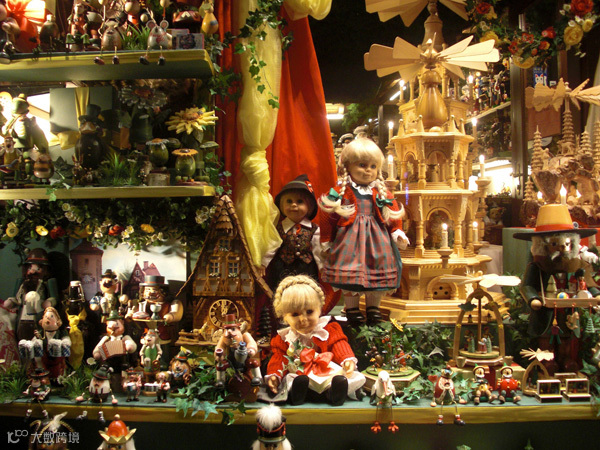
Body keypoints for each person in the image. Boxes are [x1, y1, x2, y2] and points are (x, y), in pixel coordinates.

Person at [319, 135, 409, 325]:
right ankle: (352, 309)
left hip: (378, 242)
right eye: (362, 165)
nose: (368, 170)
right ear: (348, 167)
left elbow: (393, 213)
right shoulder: (341, 191)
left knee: (377, 272)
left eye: (373, 166)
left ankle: (373, 309)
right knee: (350, 273)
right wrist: (326, 239)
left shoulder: (380, 192)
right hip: (349, 243)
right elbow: (328, 215)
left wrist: (397, 232)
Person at [263, 275, 365, 406]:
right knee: (291, 379)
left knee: (341, 378)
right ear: (284, 317)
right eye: (295, 314)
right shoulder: (284, 338)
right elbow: (279, 359)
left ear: (320, 309)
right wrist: (274, 375)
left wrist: (347, 360)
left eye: (309, 312)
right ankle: (299, 393)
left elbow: (339, 345)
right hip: (300, 375)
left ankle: (334, 393)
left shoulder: (329, 330)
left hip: (325, 374)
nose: (303, 319)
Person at [262, 174, 322, 292]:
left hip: (307, 269)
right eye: (289, 201)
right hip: (283, 269)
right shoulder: (278, 228)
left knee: (307, 292)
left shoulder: (314, 229)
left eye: (300, 201)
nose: (294, 205)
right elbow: (271, 246)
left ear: (309, 206)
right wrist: (263, 263)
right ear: (281, 205)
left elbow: (318, 250)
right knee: (282, 291)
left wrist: (322, 267)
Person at [214, 313, 261, 388]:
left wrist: (250, 350)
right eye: (227, 329)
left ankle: (257, 378)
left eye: (233, 329)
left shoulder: (245, 335)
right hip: (231, 363)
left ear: (239, 329)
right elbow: (219, 348)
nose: (230, 333)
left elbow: (251, 343)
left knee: (254, 363)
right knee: (221, 366)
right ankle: (220, 380)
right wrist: (219, 356)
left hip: (244, 361)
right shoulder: (223, 338)